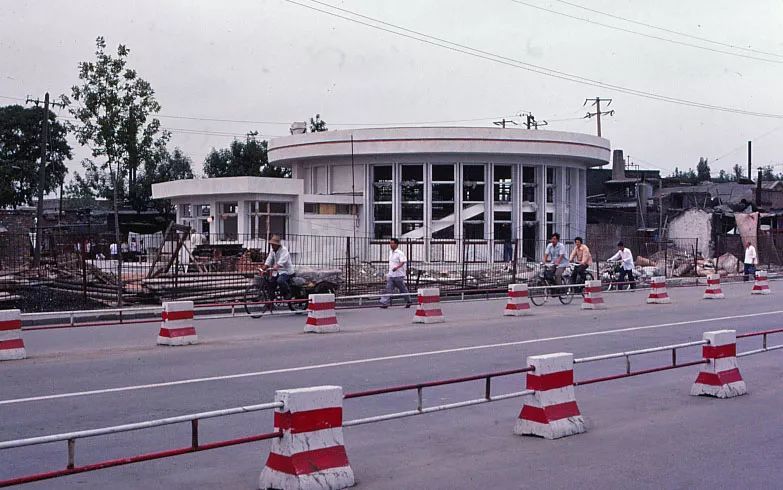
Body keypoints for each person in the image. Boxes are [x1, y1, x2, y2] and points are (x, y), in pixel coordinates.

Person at [380, 238, 412, 309]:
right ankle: (384, 303)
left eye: (392, 243)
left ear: (396, 244)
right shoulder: (391, 252)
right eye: (390, 243)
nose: (391, 245)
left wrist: (397, 267)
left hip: (398, 275)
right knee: (388, 288)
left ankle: (408, 300)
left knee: (403, 289)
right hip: (391, 274)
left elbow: (403, 261)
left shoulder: (400, 253)